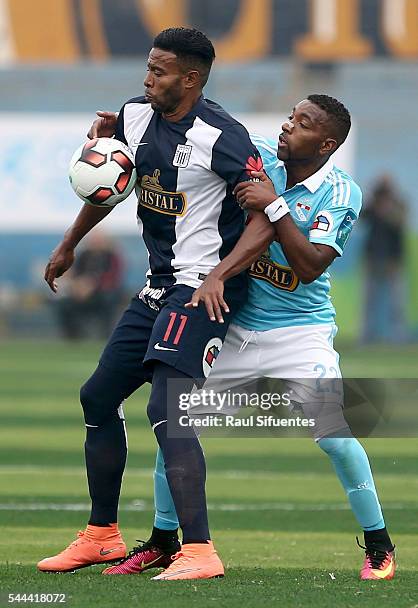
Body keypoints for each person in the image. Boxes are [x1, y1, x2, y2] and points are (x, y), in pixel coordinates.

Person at [102, 95, 395, 581]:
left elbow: (308, 267)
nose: (287, 127)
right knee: (174, 422)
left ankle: (380, 544)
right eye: (290, 117)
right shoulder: (258, 153)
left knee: (335, 437)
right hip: (234, 324)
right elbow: (195, 138)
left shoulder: (341, 192)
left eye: (302, 124)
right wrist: (129, 129)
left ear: (326, 144)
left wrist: (276, 207)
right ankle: (162, 540)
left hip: (299, 332)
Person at [38, 27, 272, 580]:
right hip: (157, 287)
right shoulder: (134, 117)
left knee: (168, 409)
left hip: (203, 290)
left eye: (159, 72)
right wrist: (70, 243)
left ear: (190, 80)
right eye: (148, 67)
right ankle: (101, 536)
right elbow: (109, 185)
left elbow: (265, 217)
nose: (148, 79)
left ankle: (199, 551)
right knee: (97, 396)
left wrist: (219, 274)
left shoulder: (224, 137)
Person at [361, 174, 408, 344]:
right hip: (373, 258)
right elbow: (362, 217)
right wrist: (374, 204)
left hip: (393, 260)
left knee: (396, 302)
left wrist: (386, 210)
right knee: (370, 300)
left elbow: (399, 222)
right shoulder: (373, 206)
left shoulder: (398, 204)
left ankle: (399, 335)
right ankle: (367, 335)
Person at [52, 230, 124, 339]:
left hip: (103, 293)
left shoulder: (112, 256)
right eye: (93, 239)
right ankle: (72, 337)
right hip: (81, 293)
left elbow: (113, 277)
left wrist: (93, 285)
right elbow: (74, 273)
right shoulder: (83, 255)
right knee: (64, 303)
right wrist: (77, 285)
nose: (95, 242)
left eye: (98, 239)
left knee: (109, 299)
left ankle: (106, 336)